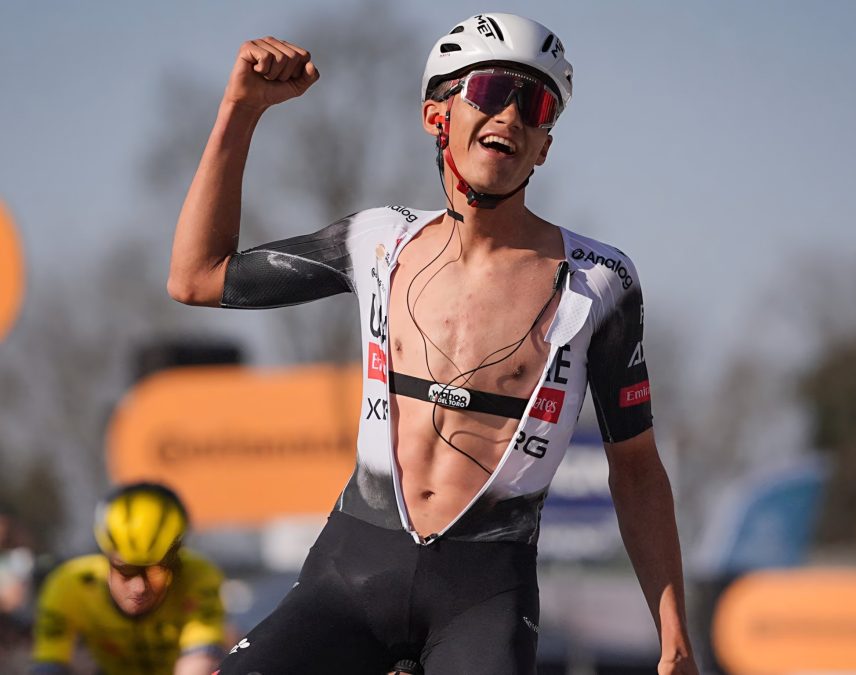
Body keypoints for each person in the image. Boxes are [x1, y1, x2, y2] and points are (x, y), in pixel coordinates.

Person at [169, 12, 698, 675]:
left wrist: (673, 634)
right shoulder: (376, 241)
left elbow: (637, 467)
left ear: (544, 147)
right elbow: (196, 275)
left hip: (484, 593)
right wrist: (240, 110)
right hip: (350, 574)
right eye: (489, 91)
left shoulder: (601, 280)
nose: (510, 113)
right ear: (436, 115)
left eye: (534, 103)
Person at [31, 482, 226, 675]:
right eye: (126, 571)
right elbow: (49, 665)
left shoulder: (198, 574)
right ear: (106, 556)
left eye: (156, 571)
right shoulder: (70, 584)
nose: (139, 587)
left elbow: (198, 662)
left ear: (175, 561)